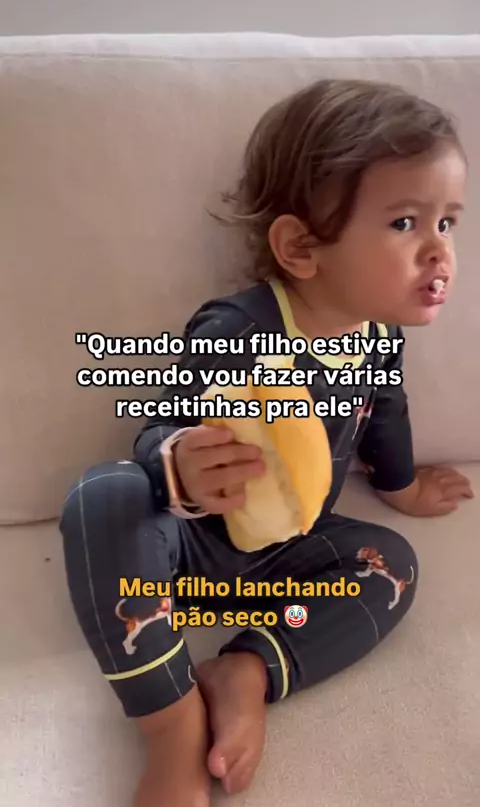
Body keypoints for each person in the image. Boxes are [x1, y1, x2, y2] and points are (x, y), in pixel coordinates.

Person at [60, 78, 474, 807]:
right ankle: (171, 723)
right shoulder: (241, 327)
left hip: (291, 553)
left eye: (448, 223)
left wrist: (403, 487)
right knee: (104, 492)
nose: (439, 251)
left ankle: (248, 669)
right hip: (185, 552)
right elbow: (159, 427)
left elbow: (386, 416)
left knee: (393, 566)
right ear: (302, 247)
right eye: (406, 223)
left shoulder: (379, 338)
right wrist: (179, 466)